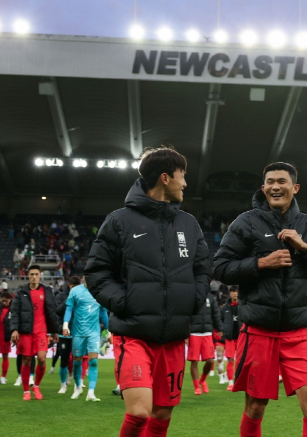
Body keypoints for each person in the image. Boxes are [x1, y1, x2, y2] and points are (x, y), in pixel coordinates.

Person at [213, 162, 307, 437]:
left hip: (298, 331)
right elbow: (220, 269)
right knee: (255, 406)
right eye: (270, 182)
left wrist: (306, 247)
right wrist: (262, 263)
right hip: (258, 330)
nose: (275, 186)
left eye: (282, 181)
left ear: (295, 187)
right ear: (263, 188)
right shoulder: (246, 222)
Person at [85, 147, 209, 437]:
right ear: (165, 178)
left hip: (174, 336)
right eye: (183, 176)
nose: (185, 184)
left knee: (162, 414)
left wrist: (194, 298)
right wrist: (124, 301)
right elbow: (97, 272)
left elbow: (203, 268)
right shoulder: (119, 221)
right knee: (139, 411)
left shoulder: (188, 224)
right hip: (134, 332)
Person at [10, 264, 60, 401]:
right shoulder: (21, 293)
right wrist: (14, 329)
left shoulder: (47, 291)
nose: (34, 277)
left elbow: (52, 311)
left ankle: (36, 386)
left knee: (42, 359)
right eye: (31, 274)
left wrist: (55, 330)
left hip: (41, 331)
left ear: (40, 276)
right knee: (26, 360)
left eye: (36, 274)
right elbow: (14, 312)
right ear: (28, 276)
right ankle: (26, 391)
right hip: (26, 332)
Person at [63, 276, 109, 402]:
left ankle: (91, 392)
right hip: (78, 332)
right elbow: (69, 309)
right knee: (77, 362)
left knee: (93, 361)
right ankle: (78, 387)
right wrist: (65, 325)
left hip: (94, 333)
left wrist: (107, 330)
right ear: (84, 278)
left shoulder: (100, 293)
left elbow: (103, 312)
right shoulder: (75, 291)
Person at [188, 292, 223, 395]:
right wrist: (185, 332)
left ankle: (202, 380)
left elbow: (216, 313)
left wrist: (220, 328)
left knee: (210, 360)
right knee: (194, 361)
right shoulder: (190, 295)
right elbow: (186, 315)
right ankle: (196, 387)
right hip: (194, 333)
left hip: (207, 333)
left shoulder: (210, 297)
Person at [54, 276, 80, 394]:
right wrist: (69, 299)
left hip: (78, 332)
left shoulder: (82, 297)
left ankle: (77, 385)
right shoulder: (61, 296)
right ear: (69, 285)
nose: (74, 289)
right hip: (64, 332)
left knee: (77, 360)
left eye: (76, 287)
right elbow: (58, 311)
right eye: (72, 286)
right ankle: (63, 385)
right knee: (64, 359)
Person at [221, 285, 241, 391]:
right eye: (233, 292)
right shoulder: (225, 308)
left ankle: (238, 381)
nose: (234, 294)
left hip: (241, 337)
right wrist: (222, 330)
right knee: (230, 359)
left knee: (241, 360)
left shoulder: (243, 305)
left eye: (236, 292)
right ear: (230, 293)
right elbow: (220, 319)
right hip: (230, 338)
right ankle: (230, 382)